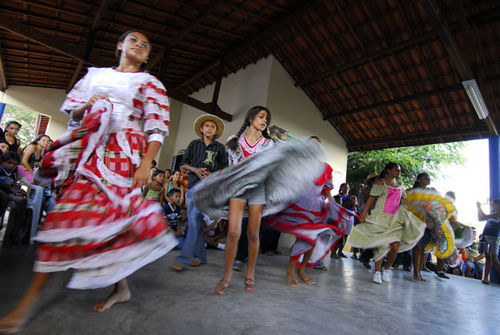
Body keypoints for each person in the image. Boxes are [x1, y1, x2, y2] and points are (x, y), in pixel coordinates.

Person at [0, 30, 178, 333]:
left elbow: (157, 128)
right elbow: (75, 113)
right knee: (61, 221)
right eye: (134, 40)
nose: (139, 46)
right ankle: (26, 304)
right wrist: (88, 105)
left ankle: (120, 288)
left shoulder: (150, 84)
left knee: (113, 223)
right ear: (119, 45)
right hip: (92, 154)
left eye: (146, 45)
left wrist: (147, 163)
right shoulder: (94, 75)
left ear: (147, 56)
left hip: (126, 157)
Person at [192, 107, 325, 295]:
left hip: (258, 190)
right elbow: (232, 168)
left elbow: (270, 166)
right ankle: (227, 275)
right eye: (261, 117)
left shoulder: (268, 144)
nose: (264, 121)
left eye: (267, 119)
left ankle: (250, 273)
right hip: (237, 189)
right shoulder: (233, 141)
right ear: (251, 118)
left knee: (253, 234)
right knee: (233, 233)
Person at [264, 137, 354, 287]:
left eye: (318, 143)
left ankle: (301, 270)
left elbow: (327, 188)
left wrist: (332, 203)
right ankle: (292, 270)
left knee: (311, 241)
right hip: (298, 206)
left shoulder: (326, 168)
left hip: (316, 208)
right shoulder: (298, 164)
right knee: (307, 238)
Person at [349, 163, 427, 284]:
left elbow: (404, 203)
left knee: (395, 247)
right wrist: (364, 213)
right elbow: (371, 199)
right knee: (382, 245)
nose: (398, 172)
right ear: (388, 170)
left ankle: (387, 269)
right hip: (380, 218)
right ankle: (377, 272)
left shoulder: (400, 186)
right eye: (396, 169)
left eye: (399, 170)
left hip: (394, 220)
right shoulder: (380, 183)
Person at [169, 114, 228, 272]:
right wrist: (195, 169)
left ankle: (183, 258)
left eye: (213, 127)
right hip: (192, 186)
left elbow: (225, 168)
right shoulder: (194, 144)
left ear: (215, 132)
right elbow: (183, 163)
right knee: (195, 222)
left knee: (194, 221)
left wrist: (212, 174)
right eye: (207, 126)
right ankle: (200, 256)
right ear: (201, 129)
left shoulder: (220, 148)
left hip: (208, 189)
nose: (210, 128)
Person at [0, 152, 30, 245]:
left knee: (22, 201)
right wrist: (11, 189)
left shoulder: (14, 171)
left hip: (8, 191)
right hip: (2, 190)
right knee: (3, 197)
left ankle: (14, 232)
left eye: (14, 164)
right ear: (2, 162)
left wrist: (18, 190)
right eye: (9, 163)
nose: (11, 166)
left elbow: (14, 183)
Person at [477, 199, 500, 284]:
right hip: (486, 236)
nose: (492, 206)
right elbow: (480, 218)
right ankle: (486, 278)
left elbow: (484, 216)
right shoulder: (493, 213)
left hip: (494, 237)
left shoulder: (497, 214)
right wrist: (478, 209)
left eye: (493, 204)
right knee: (488, 258)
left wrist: (479, 207)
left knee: (494, 259)